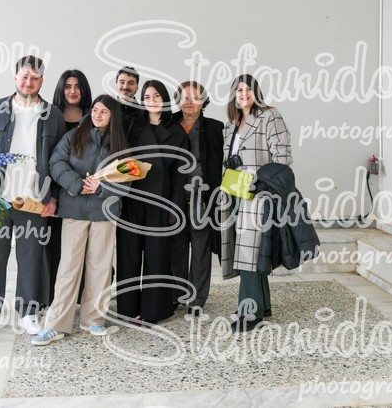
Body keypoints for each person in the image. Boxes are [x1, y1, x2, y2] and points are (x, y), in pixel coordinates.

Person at [0, 56, 66, 337]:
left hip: (33, 199)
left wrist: (54, 197)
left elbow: (59, 158)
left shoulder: (52, 115)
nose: (28, 82)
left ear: (42, 81)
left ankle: (28, 313)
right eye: (24, 76)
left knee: (31, 258)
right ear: (15, 77)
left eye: (34, 77)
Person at [32, 95, 129, 345]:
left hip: (104, 212)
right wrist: (76, 184)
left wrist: (100, 188)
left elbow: (127, 181)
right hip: (74, 210)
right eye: (95, 110)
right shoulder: (74, 135)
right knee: (68, 268)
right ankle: (56, 325)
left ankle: (93, 319)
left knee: (100, 267)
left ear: (113, 116)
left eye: (104, 111)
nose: (97, 115)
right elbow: (55, 162)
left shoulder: (120, 144)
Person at [220, 74, 292, 332]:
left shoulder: (269, 116)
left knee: (248, 252)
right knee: (249, 250)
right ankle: (264, 305)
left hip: (258, 193)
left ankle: (249, 314)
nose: (243, 94)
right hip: (234, 191)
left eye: (248, 89)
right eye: (238, 90)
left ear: (256, 92)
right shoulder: (231, 124)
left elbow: (283, 157)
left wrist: (264, 185)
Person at [116, 80, 190, 325]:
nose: (152, 101)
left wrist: (175, 208)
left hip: (161, 201)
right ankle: (127, 309)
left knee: (157, 258)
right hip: (132, 198)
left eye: (157, 96)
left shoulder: (176, 132)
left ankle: (153, 310)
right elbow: (118, 159)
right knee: (128, 255)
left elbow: (180, 176)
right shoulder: (130, 125)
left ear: (165, 99)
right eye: (147, 97)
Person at [170, 81, 224, 315]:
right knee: (176, 247)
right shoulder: (169, 124)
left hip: (202, 198)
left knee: (201, 248)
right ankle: (176, 296)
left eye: (195, 97)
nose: (189, 102)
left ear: (203, 101)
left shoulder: (215, 128)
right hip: (173, 197)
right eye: (185, 97)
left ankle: (197, 300)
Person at [46, 69, 93, 304]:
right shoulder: (50, 117)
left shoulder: (94, 116)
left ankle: (83, 298)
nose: (73, 91)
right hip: (54, 190)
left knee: (85, 250)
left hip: (85, 193)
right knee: (55, 248)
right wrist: (52, 193)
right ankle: (55, 299)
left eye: (77, 86)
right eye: (67, 86)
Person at [115, 66, 142, 137]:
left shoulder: (144, 114)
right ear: (116, 85)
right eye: (122, 82)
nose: (125, 87)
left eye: (130, 83)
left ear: (137, 87)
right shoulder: (107, 110)